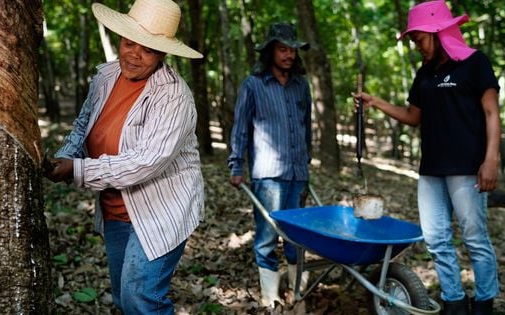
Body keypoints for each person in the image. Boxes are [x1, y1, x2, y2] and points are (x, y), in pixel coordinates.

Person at [44, 0, 204, 313]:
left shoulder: (173, 96)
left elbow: (145, 162)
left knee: (140, 298)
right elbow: (83, 126)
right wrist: (64, 157)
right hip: (115, 207)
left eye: (147, 49)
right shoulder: (105, 76)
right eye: (129, 42)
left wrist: (76, 170)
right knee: (122, 296)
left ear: (163, 53)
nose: (133, 54)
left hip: (161, 211)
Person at [356, 1, 500, 314]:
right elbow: (412, 116)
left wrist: (491, 160)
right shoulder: (425, 72)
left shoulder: (476, 63)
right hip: (431, 170)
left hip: (467, 168)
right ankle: (454, 301)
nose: (417, 46)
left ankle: (485, 302)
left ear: (437, 31)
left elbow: (491, 112)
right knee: (436, 239)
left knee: (474, 238)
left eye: (418, 39)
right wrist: (376, 102)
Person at [227, 22, 312, 307]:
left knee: (296, 236)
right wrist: (236, 165)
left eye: (292, 50)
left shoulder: (302, 85)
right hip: (268, 175)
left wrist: (307, 163)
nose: (288, 55)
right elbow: (240, 127)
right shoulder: (253, 85)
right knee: (266, 236)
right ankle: (270, 298)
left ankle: (298, 293)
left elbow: (306, 127)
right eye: (282, 49)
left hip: (297, 172)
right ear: (270, 52)